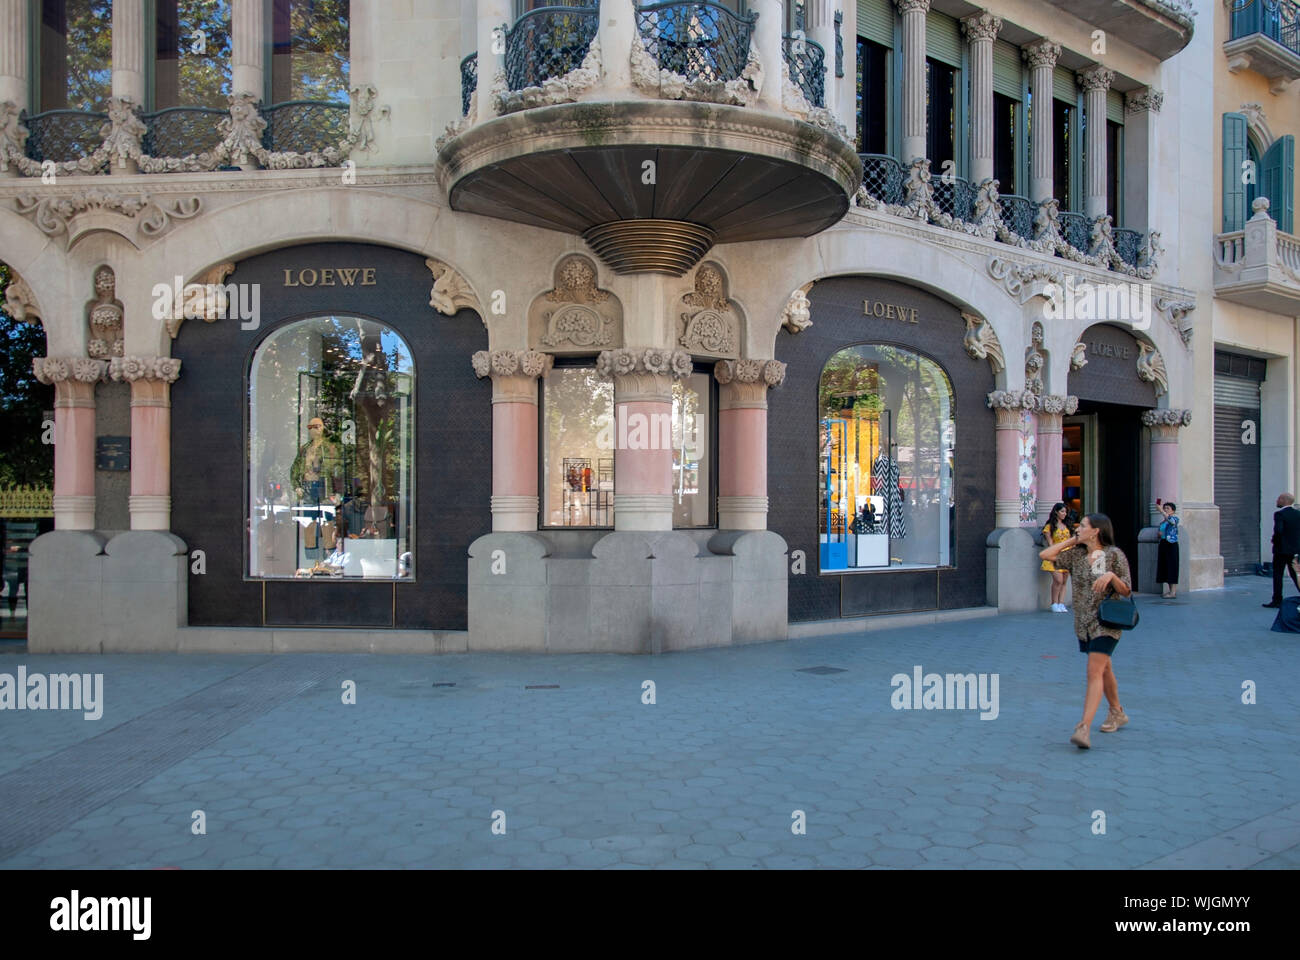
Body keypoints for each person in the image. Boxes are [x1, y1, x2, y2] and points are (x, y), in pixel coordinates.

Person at [1039, 513, 1133, 750]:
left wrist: (1111, 576)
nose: (1078, 528)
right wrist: (1072, 541)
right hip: (1083, 622)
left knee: (1094, 670)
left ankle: (1084, 727)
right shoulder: (1076, 556)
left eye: (1082, 526)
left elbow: (1127, 591)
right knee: (1104, 667)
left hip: (1107, 621)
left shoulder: (1113, 555)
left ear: (1096, 531)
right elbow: (1046, 555)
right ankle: (1117, 712)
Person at [1263, 493, 1300, 609]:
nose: (1277, 500)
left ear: (1284, 500)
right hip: (1295, 550)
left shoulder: (1279, 514)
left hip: (1281, 551)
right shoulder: (1298, 514)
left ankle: (1277, 600)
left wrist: (1274, 541)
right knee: (1296, 575)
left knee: (1278, 575)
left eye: (1279, 498)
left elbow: (1278, 531)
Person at [1040, 502, 1073, 613]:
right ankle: (1054, 603)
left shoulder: (1067, 525)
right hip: (1055, 555)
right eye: (1062, 511)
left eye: (1065, 512)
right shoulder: (1049, 527)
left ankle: (1061, 603)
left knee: (1064, 581)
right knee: (1058, 580)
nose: (1064, 514)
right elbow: (1050, 543)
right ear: (1056, 512)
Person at [1156, 501, 1180, 599]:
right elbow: (1161, 532)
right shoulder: (1163, 522)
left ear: (1173, 511)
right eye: (1165, 508)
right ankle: (1170, 591)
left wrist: (1161, 510)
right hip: (1163, 543)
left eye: (1168, 508)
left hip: (1171, 545)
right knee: (1165, 567)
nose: (1166, 510)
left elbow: (1172, 522)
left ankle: (1173, 592)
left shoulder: (1174, 519)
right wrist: (1159, 535)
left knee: (1172, 567)